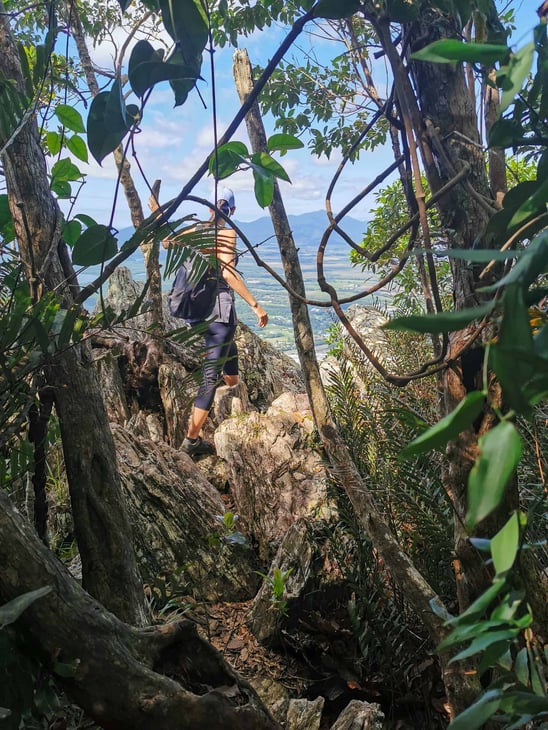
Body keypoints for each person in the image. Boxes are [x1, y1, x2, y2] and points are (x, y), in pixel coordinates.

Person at [163, 187, 268, 457]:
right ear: (231, 212)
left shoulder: (195, 230)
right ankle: (191, 441)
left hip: (198, 312)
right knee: (210, 377)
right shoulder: (227, 232)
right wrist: (256, 306)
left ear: (210, 208)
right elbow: (228, 272)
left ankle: (234, 390)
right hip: (219, 312)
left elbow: (166, 241)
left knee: (229, 357)